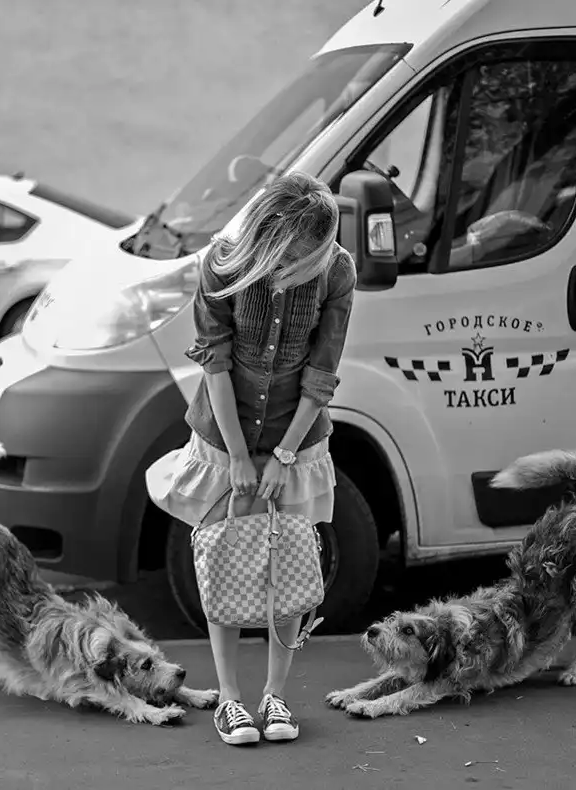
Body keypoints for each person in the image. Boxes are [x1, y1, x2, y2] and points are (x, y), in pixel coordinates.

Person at [146, 171, 357, 746]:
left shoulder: (337, 271)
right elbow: (214, 363)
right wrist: (239, 457)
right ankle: (230, 701)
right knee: (225, 562)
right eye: (291, 257)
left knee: (288, 564)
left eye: (309, 258)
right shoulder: (221, 264)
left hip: (299, 436)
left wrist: (284, 454)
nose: (299, 268)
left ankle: (275, 696)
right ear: (269, 239)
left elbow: (322, 373)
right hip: (224, 437)